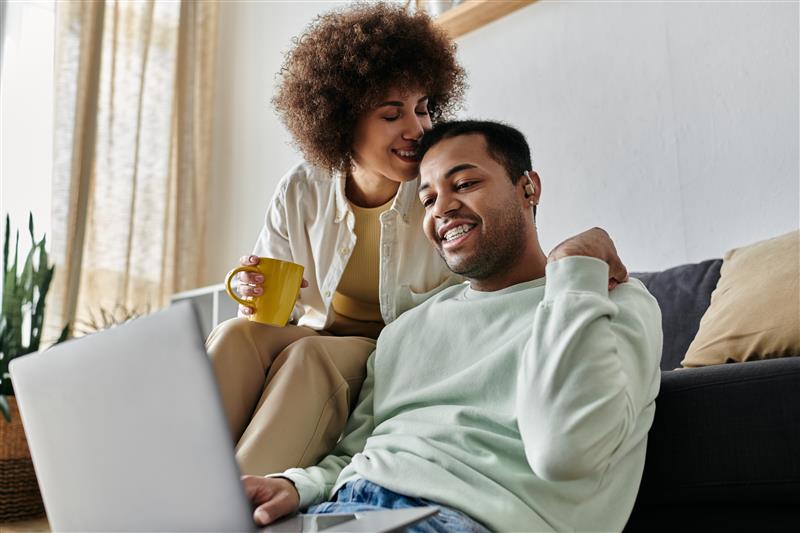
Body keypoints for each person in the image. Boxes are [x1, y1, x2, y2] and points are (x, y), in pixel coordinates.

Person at [241, 121, 663, 532]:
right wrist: (296, 485)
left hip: (465, 518)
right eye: (427, 200)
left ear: (528, 187)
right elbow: (355, 451)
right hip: (343, 510)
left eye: (463, 185)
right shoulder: (405, 330)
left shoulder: (609, 300)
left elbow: (564, 449)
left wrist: (572, 266)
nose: (441, 208)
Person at [205, 4, 467, 476]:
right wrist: (253, 296)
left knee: (309, 355)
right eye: (392, 114)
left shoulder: (443, 191)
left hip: (395, 353)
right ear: (342, 120)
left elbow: (504, 267)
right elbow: (273, 311)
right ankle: (174, 482)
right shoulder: (302, 189)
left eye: (423, 108)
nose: (417, 129)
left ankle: (231, 507)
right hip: (317, 332)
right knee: (233, 334)